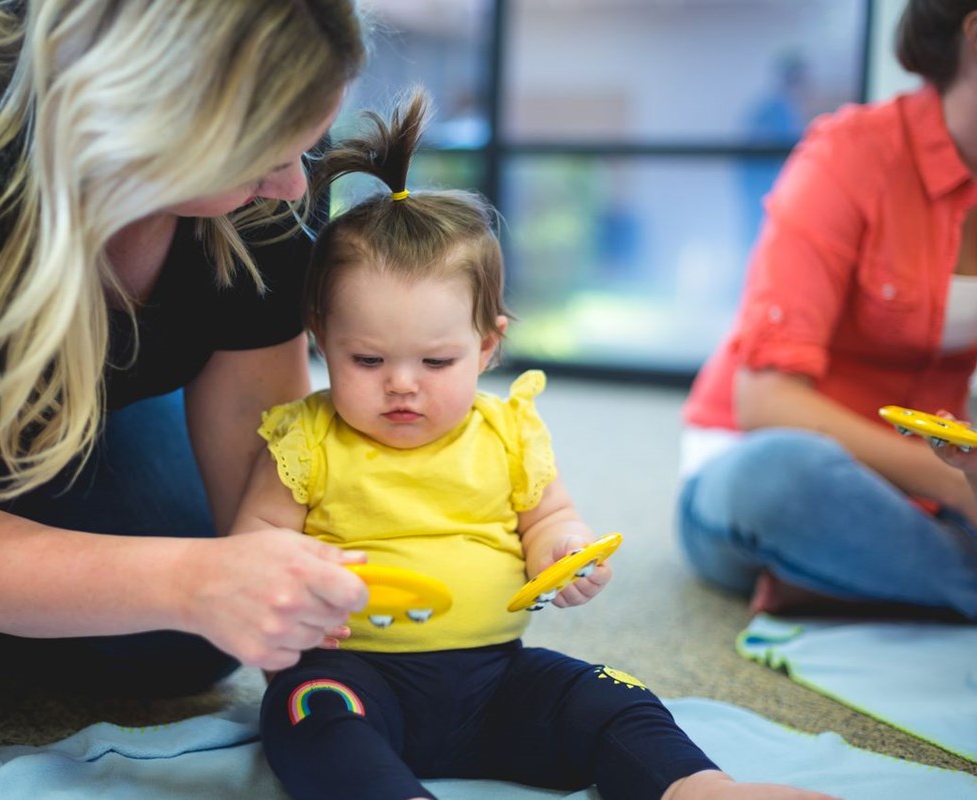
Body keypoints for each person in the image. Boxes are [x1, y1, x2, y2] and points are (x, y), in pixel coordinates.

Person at [0, 0, 372, 759]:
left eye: (304, 148)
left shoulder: (272, 140)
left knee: (185, 644)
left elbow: (272, 466)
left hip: (10, 389)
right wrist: (191, 579)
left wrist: (328, 626)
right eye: (261, 161)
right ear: (144, 121)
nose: (293, 188)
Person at [230, 89, 838, 800]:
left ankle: (700, 788)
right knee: (305, 717)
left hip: (494, 678)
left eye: (435, 363)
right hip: (353, 672)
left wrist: (563, 551)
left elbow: (550, 519)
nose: (402, 386)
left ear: (487, 346)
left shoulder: (508, 432)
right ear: (320, 338)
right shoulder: (305, 439)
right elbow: (254, 547)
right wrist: (294, 578)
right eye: (367, 361)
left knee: (613, 693)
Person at [677, 0, 977, 621]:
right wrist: (957, 485)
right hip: (766, 464)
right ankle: (920, 579)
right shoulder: (850, 154)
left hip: (923, 492)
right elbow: (766, 404)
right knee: (781, 477)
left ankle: (855, 581)